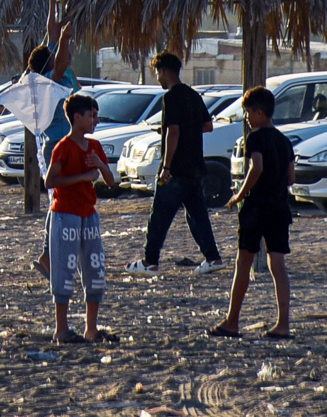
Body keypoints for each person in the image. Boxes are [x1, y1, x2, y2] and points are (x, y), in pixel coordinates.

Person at [126, 51, 224, 277]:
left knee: (159, 216)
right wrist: (187, 129)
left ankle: (150, 262)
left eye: (157, 73)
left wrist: (166, 167)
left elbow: (174, 132)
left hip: (177, 169)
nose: (157, 78)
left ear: (163, 71)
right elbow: (207, 125)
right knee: (198, 216)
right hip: (196, 167)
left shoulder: (170, 97)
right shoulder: (192, 94)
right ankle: (213, 257)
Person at [209, 87, 294, 339]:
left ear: (259, 112)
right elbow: (290, 177)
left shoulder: (255, 138)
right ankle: (283, 324)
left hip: (257, 208)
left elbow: (256, 167)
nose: (246, 118)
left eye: (247, 113)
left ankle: (232, 321)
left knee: (243, 262)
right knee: (277, 265)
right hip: (280, 207)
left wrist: (240, 194)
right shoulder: (284, 140)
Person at [45, 93, 116, 344]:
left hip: (89, 214)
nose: (95, 120)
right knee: (64, 270)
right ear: (77, 117)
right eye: (91, 115)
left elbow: (109, 180)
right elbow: (50, 181)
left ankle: (91, 328)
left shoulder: (94, 146)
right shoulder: (62, 147)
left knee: (95, 269)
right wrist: (83, 177)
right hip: (66, 214)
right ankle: (61, 329)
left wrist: (100, 166)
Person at [30, 0, 79, 278]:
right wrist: (64, 38)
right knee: (60, 204)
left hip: (64, 144)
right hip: (59, 146)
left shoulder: (53, 71)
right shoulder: (51, 79)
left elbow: (51, 34)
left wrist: (52, 1)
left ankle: (53, 257)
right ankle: (49, 256)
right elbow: (58, 59)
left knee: (62, 203)